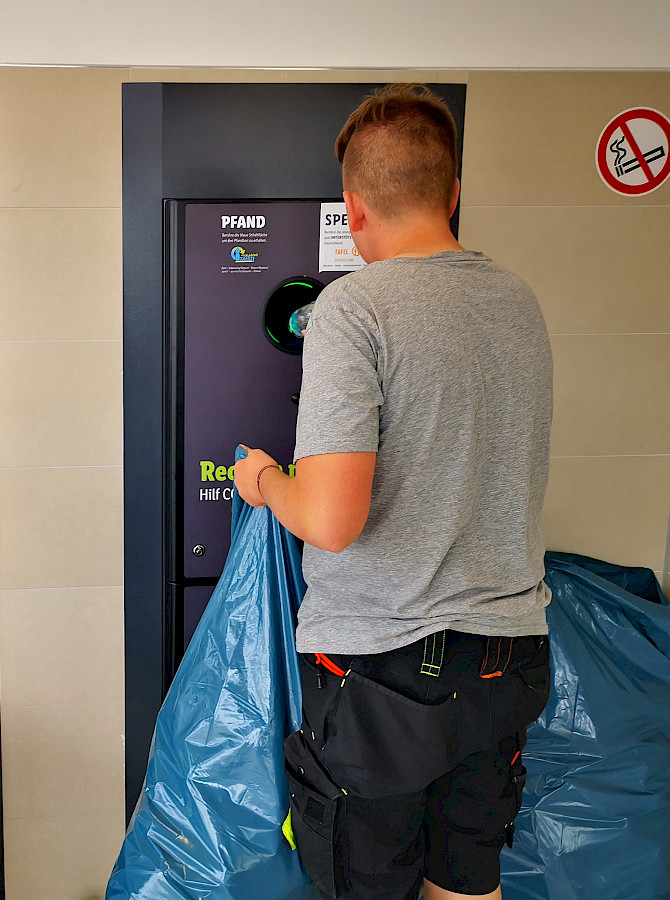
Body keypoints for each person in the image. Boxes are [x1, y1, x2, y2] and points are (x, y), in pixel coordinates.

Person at [234, 84, 553, 900]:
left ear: (351, 209)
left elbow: (333, 520)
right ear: (453, 193)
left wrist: (265, 480)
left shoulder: (354, 308)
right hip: (506, 661)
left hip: (384, 674)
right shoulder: (517, 300)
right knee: (466, 881)